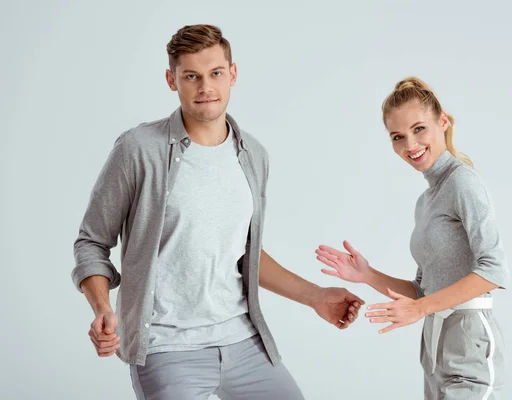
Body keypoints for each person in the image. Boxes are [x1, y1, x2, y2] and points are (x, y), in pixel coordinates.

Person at [72, 24, 364, 400]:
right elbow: (91, 242)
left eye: (215, 74)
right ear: (171, 80)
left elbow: (243, 255)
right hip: (167, 348)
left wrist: (316, 296)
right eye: (191, 76)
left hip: (243, 340)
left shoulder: (253, 155)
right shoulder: (139, 149)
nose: (205, 87)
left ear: (233, 74)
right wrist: (101, 308)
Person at [316, 77, 509, 399]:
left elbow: (494, 270)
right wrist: (367, 275)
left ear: (442, 122)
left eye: (419, 129)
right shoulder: (427, 200)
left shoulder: (463, 183)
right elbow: (423, 291)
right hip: (435, 340)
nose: (410, 145)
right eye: (398, 137)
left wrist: (421, 309)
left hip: (469, 335)